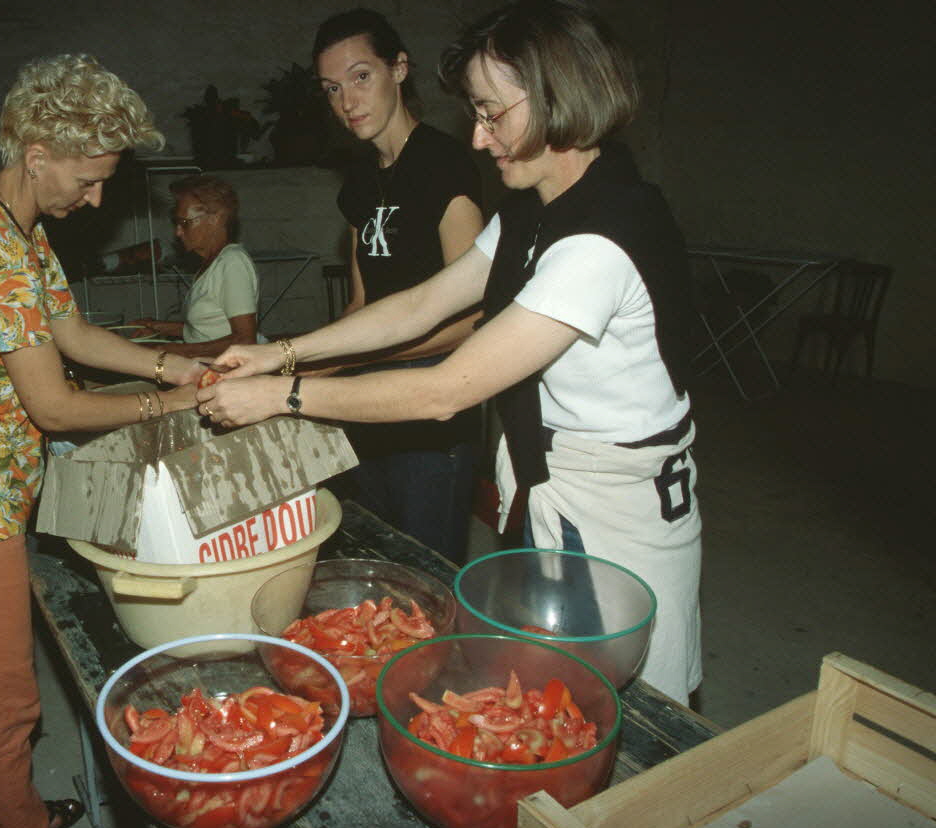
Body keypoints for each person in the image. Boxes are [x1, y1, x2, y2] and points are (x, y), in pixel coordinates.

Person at [198, 0, 702, 705]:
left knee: (636, 707)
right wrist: (279, 353)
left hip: (621, 504)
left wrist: (282, 394)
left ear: (559, 99)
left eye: (493, 113)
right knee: (554, 691)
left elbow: (446, 390)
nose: (478, 133)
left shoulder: (602, 236)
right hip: (553, 479)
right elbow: (421, 303)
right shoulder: (534, 203)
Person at [0, 54, 204, 828]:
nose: (96, 197)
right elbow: (54, 403)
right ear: (38, 156)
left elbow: (73, 334)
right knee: (6, 705)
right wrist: (165, 404)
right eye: (90, 179)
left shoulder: (9, 229)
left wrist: (173, 363)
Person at [310, 8, 485, 564]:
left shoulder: (444, 164)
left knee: (429, 570)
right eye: (332, 88)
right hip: (370, 397)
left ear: (400, 69)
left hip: (435, 400)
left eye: (362, 77)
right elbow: (363, 303)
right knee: (378, 557)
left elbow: (471, 317)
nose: (347, 101)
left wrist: (372, 353)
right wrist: (295, 367)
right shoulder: (360, 182)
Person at [131, 174, 259, 358]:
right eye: (176, 223)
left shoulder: (232, 263)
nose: (178, 232)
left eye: (184, 223)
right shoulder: (210, 264)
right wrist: (157, 327)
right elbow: (207, 331)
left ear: (216, 218)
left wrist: (174, 350)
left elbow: (245, 340)